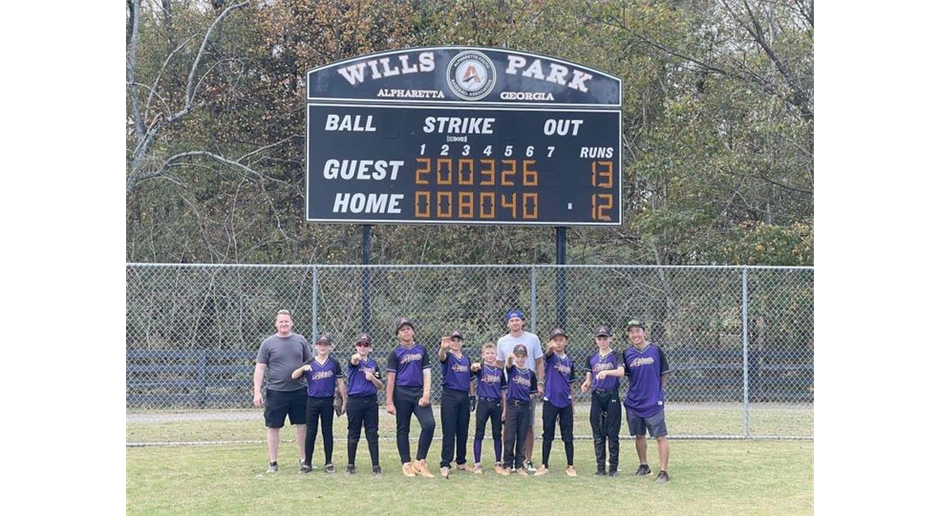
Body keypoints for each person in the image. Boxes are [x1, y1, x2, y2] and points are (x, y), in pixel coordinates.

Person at [253, 309, 311, 473]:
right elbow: (260, 369)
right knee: (273, 426)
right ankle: (273, 462)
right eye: (281, 322)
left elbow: (310, 364)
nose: (284, 324)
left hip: (299, 390)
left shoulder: (300, 341)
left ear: (292, 323)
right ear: (276, 324)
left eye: (287, 321)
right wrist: (257, 392)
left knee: (302, 425)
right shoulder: (268, 343)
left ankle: (304, 460)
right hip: (276, 391)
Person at [386, 317, 436, 478]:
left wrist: (426, 394)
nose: (406, 331)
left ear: (413, 331)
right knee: (403, 428)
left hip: (418, 392)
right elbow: (391, 379)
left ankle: (420, 461)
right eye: (402, 329)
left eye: (408, 328)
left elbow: (427, 373)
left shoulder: (421, 349)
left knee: (429, 424)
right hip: (401, 393)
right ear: (397, 334)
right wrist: (389, 402)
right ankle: (406, 463)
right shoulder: (395, 353)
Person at [495, 309, 544, 473]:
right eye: (511, 320)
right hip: (508, 393)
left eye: (517, 320)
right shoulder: (502, 341)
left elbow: (539, 362)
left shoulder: (532, 338)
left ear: (523, 322)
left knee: (527, 427)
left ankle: (526, 460)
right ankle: (507, 462)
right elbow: (500, 365)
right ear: (508, 323)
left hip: (526, 390)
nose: (515, 323)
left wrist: (541, 382)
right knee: (508, 429)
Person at [623, 320, 672, 482]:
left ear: (644, 332)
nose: (635, 335)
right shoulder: (627, 353)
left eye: (638, 331)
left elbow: (664, 374)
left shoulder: (656, 350)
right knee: (639, 435)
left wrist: (656, 390)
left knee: (660, 436)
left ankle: (664, 471)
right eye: (631, 332)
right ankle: (644, 466)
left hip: (653, 401)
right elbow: (630, 377)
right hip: (634, 401)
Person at [291, 333, 346, 474]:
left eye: (325, 345)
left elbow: (340, 383)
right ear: (316, 346)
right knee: (311, 432)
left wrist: (345, 400)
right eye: (320, 344)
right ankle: (307, 462)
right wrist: (303, 369)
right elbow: (293, 376)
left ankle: (328, 461)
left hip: (327, 401)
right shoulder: (309, 363)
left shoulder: (334, 363)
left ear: (330, 347)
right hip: (312, 401)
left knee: (327, 431)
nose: (322, 347)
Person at [581, 325, 624, 477]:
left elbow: (620, 372)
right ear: (596, 340)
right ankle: (600, 468)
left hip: (611, 395)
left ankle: (613, 468)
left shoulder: (616, 355)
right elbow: (589, 377)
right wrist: (586, 384)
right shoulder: (591, 358)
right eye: (600, 338)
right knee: (598, 432)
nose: (602, 341)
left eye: (605, 338)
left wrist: (606, 372)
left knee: (612, 433)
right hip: (597, 396)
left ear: (610, 339)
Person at [534, 327, 577, 477]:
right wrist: (549, 348)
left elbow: (571, 384)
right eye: (555, 340)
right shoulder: (551, 358)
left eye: (561, 340)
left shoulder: (570, 362)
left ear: (566, 342)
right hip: (550, 400)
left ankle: (570, 465)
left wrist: (573, 404)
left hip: (565, 402)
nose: (558, 343)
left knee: (568, 434)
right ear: (551, 342)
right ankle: (544, 464)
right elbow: (547, 355)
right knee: (548, 433)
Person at [345, 332, 384, 475]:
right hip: (355, 400)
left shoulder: (373, 364)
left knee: (372, 433)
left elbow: (380, 386)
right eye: (360, 344)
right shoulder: (355, 361)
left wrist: (372, 378)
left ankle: (376, 465)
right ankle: (350, 464)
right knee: (353, 432)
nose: (363, 347)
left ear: (370, 348)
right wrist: (356, 357)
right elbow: (354, 360)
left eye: (366, 345)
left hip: (370, 401)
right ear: (356, 346)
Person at [498, 344, 538, 476]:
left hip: (525, 406)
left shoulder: (531, 374)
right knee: (509, 436)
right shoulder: (512, 369)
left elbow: (532, 392)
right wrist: (509, 358)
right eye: (518, 356)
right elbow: (508, 365)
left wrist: (525, 398)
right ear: (515, 357)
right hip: (512, 405)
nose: (520, 359)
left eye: (522, 356)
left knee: (522, 435)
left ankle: (519, 465)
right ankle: (508, 465)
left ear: (526, 357)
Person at [438, 331, 472, 478]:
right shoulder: (448, 356)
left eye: (458, 340)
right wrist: (443, 348)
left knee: (463, 430)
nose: (456, 343)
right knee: (449, 430)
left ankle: (461, 461)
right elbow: (441, 357)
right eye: (453, 340)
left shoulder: (466, 359)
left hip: (464, 396)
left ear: (462, 342)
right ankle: (445, 463)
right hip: (450, 395)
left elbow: (470, 379)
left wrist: (472, 396)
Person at [469, 342, 507, 474]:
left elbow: (503, 392)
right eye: (487, 353)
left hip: (496, 404)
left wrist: (505, 410)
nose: (490, 355)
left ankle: (498, 462)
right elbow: (473, 369)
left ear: (496, 355)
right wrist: (474, 365)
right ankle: (477, 463)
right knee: (479, 432)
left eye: (492, 353)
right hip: (483, 403)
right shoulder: (481, 369)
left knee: (497, 434)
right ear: (483, 355)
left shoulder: (500, 372)